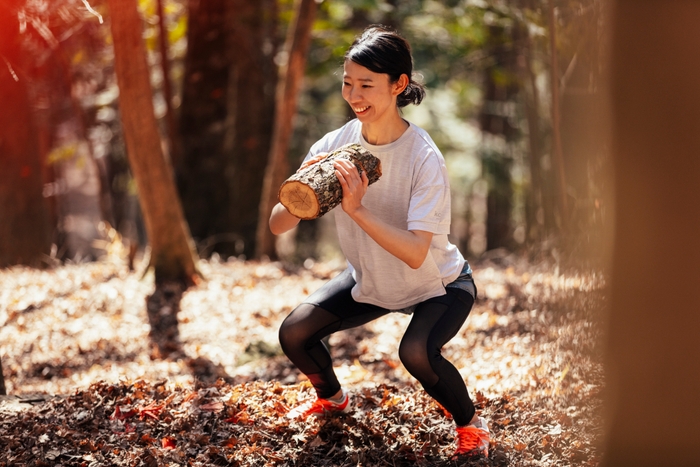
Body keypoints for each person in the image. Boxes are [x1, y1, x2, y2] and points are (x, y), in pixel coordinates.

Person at [269, 24, 489, 459]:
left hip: (438, 284)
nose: (354, 95)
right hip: (371, 280)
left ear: (398, 85)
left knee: (417, 354)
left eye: (366, 84)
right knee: (295, 333)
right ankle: (332, 400)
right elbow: (278, 226)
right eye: (348, 83)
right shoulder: (335, 144)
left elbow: (415, 252)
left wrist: (358, 210)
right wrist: (302, 190)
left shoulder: (423, 157)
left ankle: (471, 425)